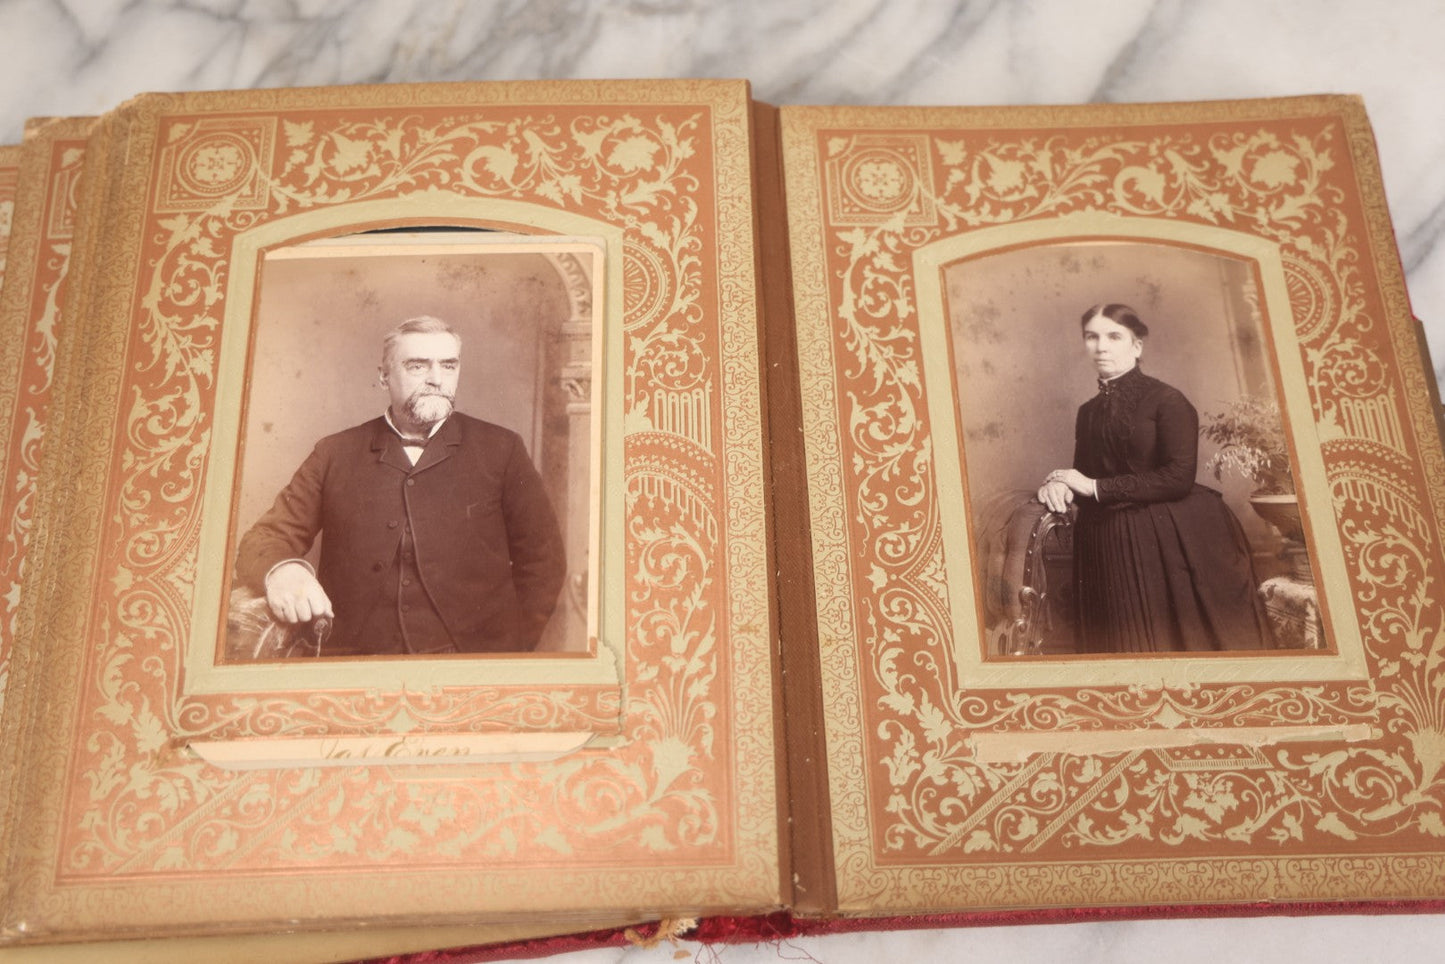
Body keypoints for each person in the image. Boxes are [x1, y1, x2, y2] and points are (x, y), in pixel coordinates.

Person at [234, 315, 566, 656]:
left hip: (470, 660)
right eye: (418, 366)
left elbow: (544, 562)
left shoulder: (502, 449)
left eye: (448, 365)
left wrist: (509, 650)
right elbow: (264, 537)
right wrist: (284, 571)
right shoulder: (334, 453)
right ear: (384, 376)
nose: (436, 379)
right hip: (357, 661)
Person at [1035, 303, 1270, 653]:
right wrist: (1058, 482)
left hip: (1165, 536)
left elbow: (1177, 477)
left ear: (1137, 345)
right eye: (1092, 337)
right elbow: (1084, 477)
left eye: (1114, 336)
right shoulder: (1088, 412)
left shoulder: (1167, 400)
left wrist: (1093, 486)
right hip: (1104, 537)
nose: (1101, 346)